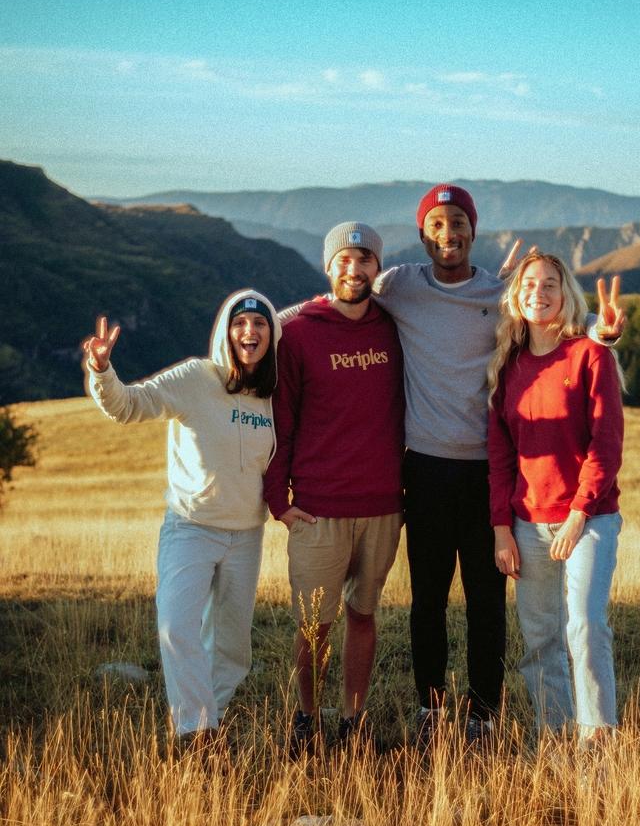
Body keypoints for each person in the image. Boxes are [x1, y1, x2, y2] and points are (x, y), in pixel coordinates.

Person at [372, 184, 625, 747]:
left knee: (488, 602)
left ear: (474, 230)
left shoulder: (500, 291)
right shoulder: (400, 286)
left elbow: (552, 333)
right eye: (437, 224)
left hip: (489, 473)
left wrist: (601, 337)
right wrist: (262, 327)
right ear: (422, 234)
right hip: (428, 470)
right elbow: (341, 300)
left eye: (458, 222)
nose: (448, 234)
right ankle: (431, 709)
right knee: (428, 599)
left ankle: (485, 714)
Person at [83, 289, 281, 748]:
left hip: (246, 534)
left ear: (272, 334)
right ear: (224, 332)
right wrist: (101, 371)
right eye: (239, 324)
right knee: (176, 625)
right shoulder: (196, 378)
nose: (249, 332)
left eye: (259, 324)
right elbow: (130, 404)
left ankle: (209, 717)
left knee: (232, 650)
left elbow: (290, 315)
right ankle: (196, 736)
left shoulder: (272, 395)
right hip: (191, 527)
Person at [264, 222, 404, 755]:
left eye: (365, 259)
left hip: (383, 504)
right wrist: (280, 502)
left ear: (377, 268)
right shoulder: (299, 333)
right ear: (329, 266)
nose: (355, 268)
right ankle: (307, 717)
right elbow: (284, 421)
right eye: (345, 259)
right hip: (319, 509)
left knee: (363, 614)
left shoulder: (393, 327)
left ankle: (353, 719)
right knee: (313, 625)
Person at [487, 252, 624, 748]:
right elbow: (500, 454)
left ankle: (597, 746)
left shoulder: (591, 354)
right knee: (540, 640)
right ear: (516, 294)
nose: (538, 293)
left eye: (550, 283)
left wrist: (577, 514)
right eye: (529, 284)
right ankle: (557, 738)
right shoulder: (508, 364)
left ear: (566, 293)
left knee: (585, 628)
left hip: (588, 520)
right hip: (526, 523)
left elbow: (605, 445)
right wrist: (502, 527)